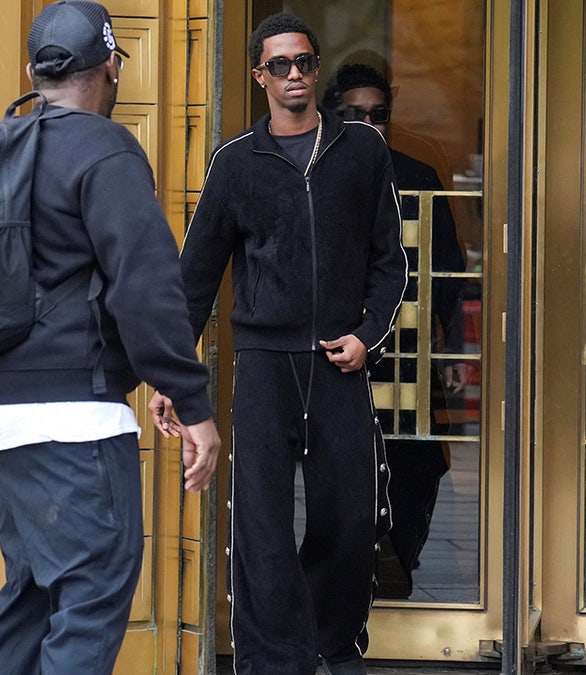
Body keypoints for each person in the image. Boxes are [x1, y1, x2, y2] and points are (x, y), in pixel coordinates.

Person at [0, 2, 221, 672]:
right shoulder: (106, 149)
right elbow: (145, 286)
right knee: (91, 596)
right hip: (78, 422)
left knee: (31, 602)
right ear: (111, 69)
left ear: (34, 70)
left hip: (4, 420)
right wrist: (194, 401)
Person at [148, 12, 407, 675]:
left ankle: (333, 644)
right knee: (260, 522)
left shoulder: (361, 151)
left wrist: (368, 335)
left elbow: (389, 262)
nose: (296, 75)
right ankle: (270, 659)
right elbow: (196, 279)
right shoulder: (236, 164)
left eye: (306, 63)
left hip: (338, 360)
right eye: (281, 65)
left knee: (349, 515)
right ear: (260, 75)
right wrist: (175, 378)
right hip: (263, 361)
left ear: (316, 70)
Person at [321, 63, 470, 599]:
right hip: (335, 350)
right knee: (342, 463)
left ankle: (397, 561)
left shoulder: (417, 176)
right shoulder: (314, 173)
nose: (366, 124)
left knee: (417, 460)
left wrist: (451, 347)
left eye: (377, 115)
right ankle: (350, 569)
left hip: (407, 345)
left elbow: (448, 270)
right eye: (353, 114)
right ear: (333, 114)